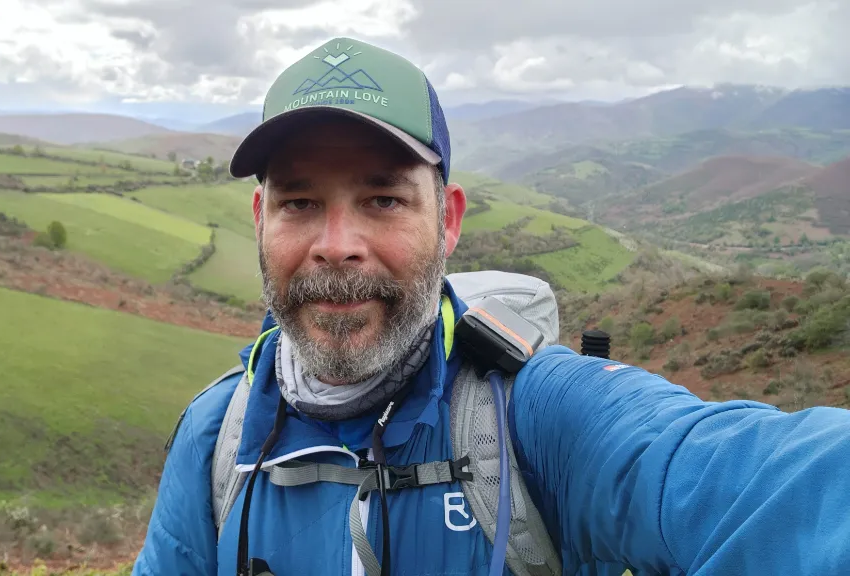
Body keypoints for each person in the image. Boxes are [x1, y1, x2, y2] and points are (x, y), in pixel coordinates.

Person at [132, 36, 850, 576]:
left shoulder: (534, 417)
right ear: (261, 219)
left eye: (383, 198)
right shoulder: (214, 441)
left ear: (447, 220)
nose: (337, 245)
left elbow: (759, 481)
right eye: (299, 202)